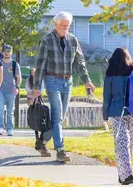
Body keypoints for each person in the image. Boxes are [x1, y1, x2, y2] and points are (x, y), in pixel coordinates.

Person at [32, 11, 96, 163]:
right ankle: (60, 150)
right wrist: (36, 87)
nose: (65, 28)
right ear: (55, 24)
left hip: (68, 81)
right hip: (52, 80)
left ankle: (42, 141)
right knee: (57, 115)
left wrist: (87, 80)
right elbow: (40, 65)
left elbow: (79, 62)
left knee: (59, 117)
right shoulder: (46, 40)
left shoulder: (73, 40)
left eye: (68, 26)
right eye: (63, 26)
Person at [103, 48, 133, 185]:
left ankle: (125, 174)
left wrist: (105, 114)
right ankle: (126, 173)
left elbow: (107, 95)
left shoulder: (110, 74)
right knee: (129, 142)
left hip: (116, 111)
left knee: (121, 143)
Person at [0, 45, 21, 136]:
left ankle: (9, 128)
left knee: (10, 111)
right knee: (0, 109)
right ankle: (0, 127)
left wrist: (17, 87)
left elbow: (18, 78)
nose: (6, 53)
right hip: (1, 90)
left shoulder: (15, 64)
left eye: (8, 51)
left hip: (11, 90)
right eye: (5, 51)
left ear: (11, 53)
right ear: (2, 53)